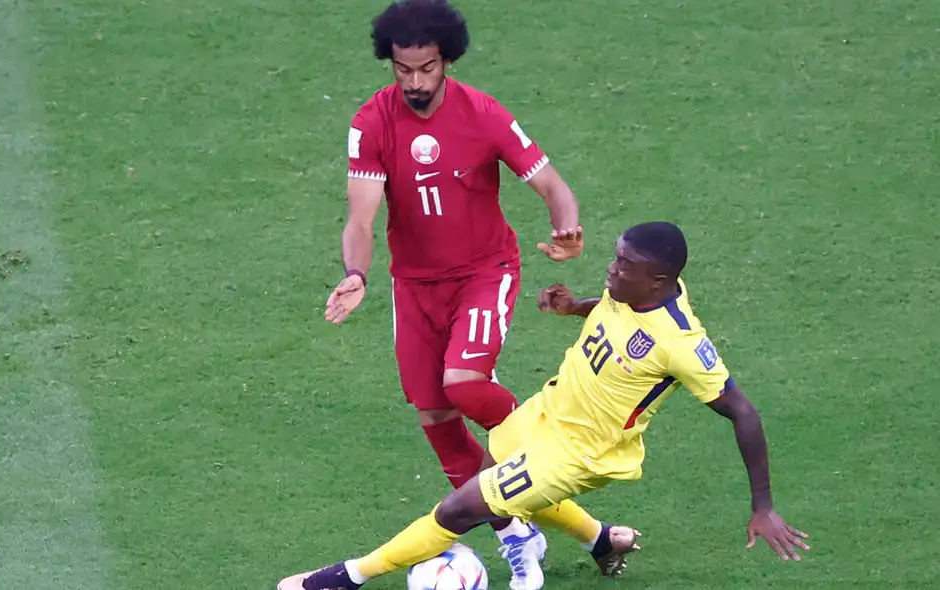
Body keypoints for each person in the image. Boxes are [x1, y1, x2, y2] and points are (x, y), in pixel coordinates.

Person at [285, 221, 810, 590]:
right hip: (550, 408)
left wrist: (762, 505)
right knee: (495, 471)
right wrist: (573, 307)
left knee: (460, 508)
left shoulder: (682, 342)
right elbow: (613, 315)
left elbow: (743, 411)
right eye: (615, 256)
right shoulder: (632, 290)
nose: (612, 269)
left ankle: (344, 578)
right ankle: (601, 541)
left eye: (625, 265)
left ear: (660, 281)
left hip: (579, 453)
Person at [323, 0, 585, 585]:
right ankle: (516, 531)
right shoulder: (371, 123)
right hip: (413, 285)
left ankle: (539, 436)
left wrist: (566, 230)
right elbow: (361, 219)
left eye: (427, 68)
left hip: (484, 272)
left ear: (448, 60)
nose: (414, 81)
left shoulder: (483, 114)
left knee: (463, 383)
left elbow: (551, 184)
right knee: (435, 414)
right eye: (402, 69)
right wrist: (357, 274)